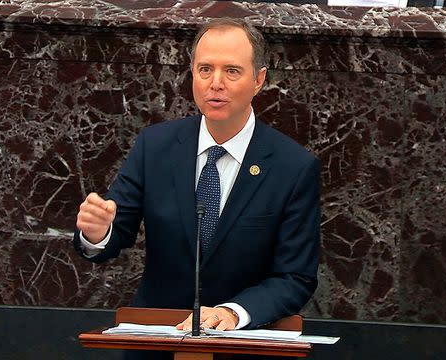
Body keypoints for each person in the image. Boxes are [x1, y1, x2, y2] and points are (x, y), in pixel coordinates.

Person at [74, 18, 321, 358]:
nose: (215, 83)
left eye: (231, 71)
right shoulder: (155, 146)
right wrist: (98, 232)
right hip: (158, 344)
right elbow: (114, 235)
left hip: (243, 348)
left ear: (259, 79)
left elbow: (296, 277)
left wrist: (234, 312)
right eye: (205, 69)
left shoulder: (293, 167)